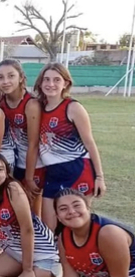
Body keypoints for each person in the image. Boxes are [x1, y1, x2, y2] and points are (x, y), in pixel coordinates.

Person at [34, 63, 106, 231]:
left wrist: (100, 177)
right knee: (49, 229)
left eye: (56, 80)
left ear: (65, 83)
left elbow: (90, 143)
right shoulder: (38, 107)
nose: (50, 84)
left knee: (79, 225)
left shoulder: (73, 108)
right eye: (46, 79)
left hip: (77, 169)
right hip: (52, 172)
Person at [0, 59, 44, 215]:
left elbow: (33, 143)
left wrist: (29, 178)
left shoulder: (31, 104)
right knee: (13, 208)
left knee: (33, 212)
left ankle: (39, 240)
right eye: (0, 77)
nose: (6, 81)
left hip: (33, 165)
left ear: (21, 77)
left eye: (11, 76)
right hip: (13, 163)